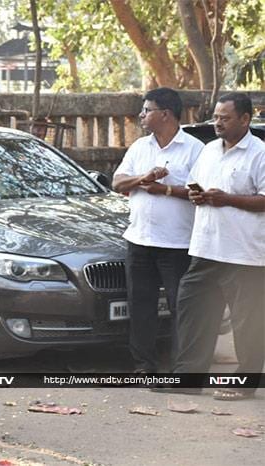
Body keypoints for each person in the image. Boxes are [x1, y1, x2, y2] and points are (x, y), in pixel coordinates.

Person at [170, 92, 265, 400]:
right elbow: (192, 184)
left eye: (224, 118)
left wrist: (227, 199)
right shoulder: (209, 149)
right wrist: (196, 195)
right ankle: (187, 378)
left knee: (247, 322)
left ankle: (245, 384)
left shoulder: (260, 153)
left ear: (245, 119)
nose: (217, 123)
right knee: (193, 310)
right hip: (206, 248)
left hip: (245, 253)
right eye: (215, 117)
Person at [112, 88, 204, 373]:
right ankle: (144, 367)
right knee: (140, 307)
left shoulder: (194, 149)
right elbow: (118, 183)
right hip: (139, 240)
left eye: (147, 109)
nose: (141, 115)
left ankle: (182, 370)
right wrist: (144, 178)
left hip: (177, 243)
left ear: (165, 114)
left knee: (181, 309)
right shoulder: (140, 147)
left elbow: (201, 193)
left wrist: (164, 189)